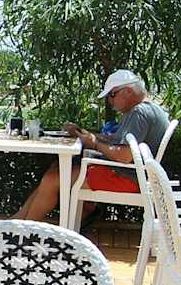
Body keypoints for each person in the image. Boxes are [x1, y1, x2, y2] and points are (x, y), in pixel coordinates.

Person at [14, 69, 171, 221]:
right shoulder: (151, 109)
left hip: (127, 179)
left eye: (112, 95)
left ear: (128, 91)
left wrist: (94, 144)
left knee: (52, 179)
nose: (110, 101)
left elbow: (124, 156)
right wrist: (84, 134)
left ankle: (25, 232)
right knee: (56, 169)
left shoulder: (138, 113)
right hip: (136, 176)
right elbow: (116, 140)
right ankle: (19, 221)